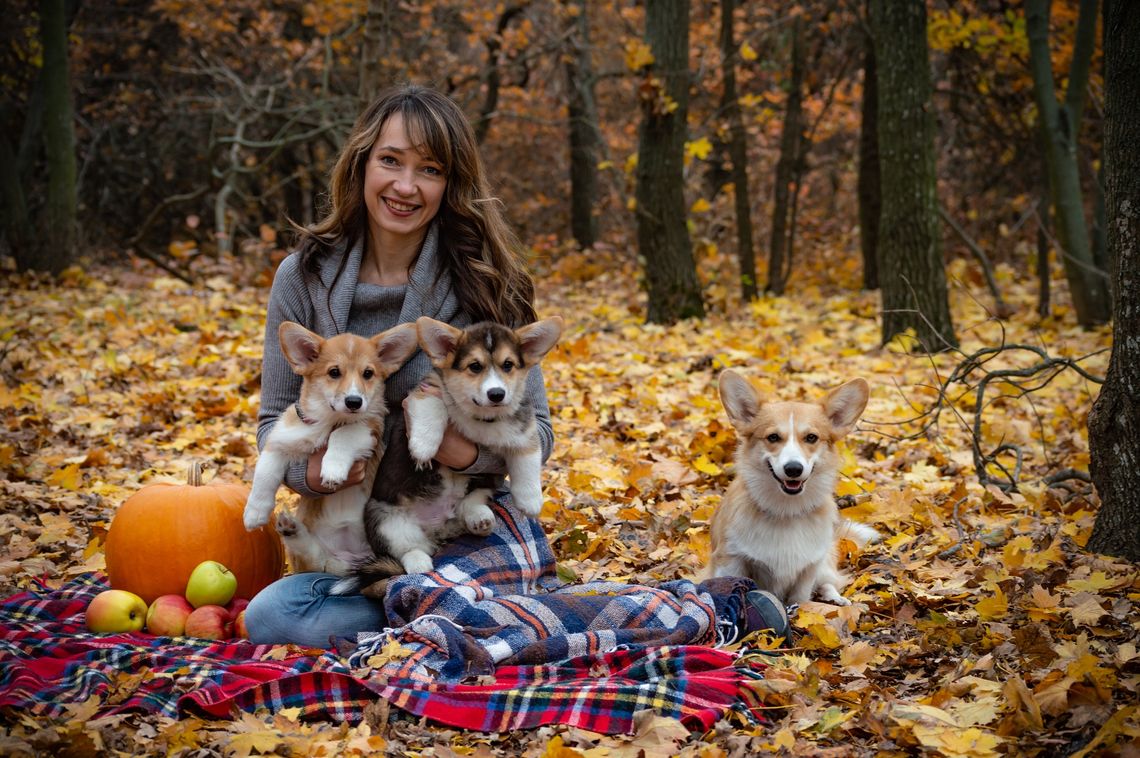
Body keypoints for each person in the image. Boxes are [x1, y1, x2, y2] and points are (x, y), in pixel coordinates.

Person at [243, 84, 787, 650]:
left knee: (428, 608)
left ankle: (710, 607)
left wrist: (470, 454)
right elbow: (271, 426)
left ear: (450, 184)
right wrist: (314, 475)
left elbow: (541, 432)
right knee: (278, 618)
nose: (406, 186)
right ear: (361, 164)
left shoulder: (483, 280)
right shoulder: (301, 278)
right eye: (390, 161)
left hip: (467, 524)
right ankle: (496, 619)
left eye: (428, 169)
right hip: (358, 537)